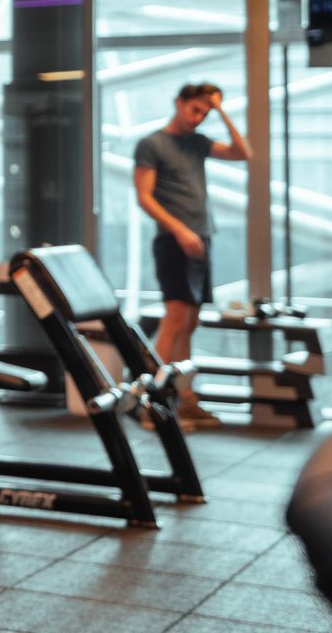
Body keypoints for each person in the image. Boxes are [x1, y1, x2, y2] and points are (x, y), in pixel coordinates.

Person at [134, 82, 252, 432]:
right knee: (174, 319)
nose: (199, 117)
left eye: (205, 112)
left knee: (190, 321)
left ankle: (185, 399)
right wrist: (179, 230)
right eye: (195, 109)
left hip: (201, 239)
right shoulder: (152, 144)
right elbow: (144, 197)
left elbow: (243, 152)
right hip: (174, 241)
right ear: (178, 102)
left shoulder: (197, 143)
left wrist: (221, 111)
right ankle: (151, 405)